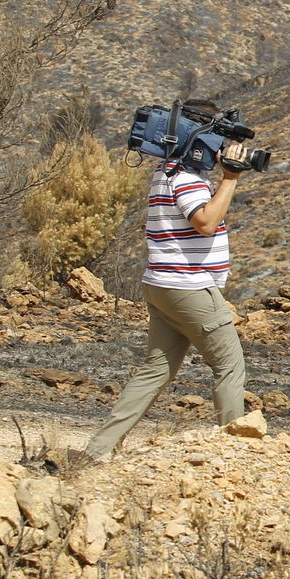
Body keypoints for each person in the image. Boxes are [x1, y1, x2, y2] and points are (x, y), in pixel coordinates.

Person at [86, 101, 252, 461]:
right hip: (189, 288)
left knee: (155, 370)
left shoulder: (166, 172)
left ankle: (99, 450)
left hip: (161, 285)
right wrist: (230, 178)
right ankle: (236, 454)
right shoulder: (189, 179)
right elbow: (205, 221)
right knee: (229, 366)